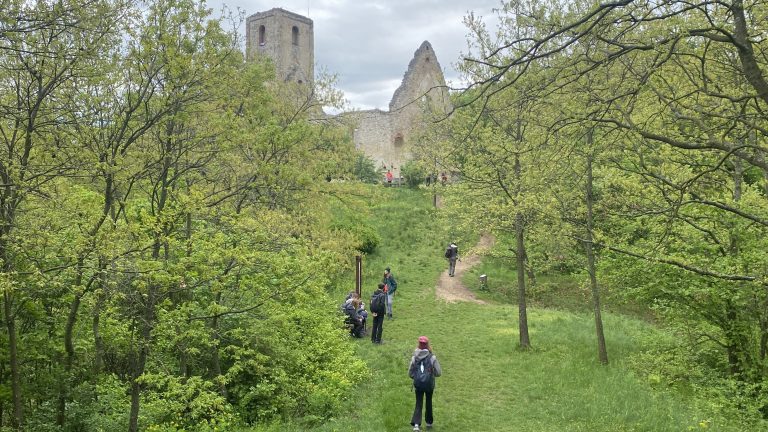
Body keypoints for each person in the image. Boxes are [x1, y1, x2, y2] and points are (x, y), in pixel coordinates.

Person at [408, 336, 442, 431]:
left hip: (418, 384)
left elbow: (410, 373)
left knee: (418, 403)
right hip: (429, 384)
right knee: (429, 401)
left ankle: (416, 425)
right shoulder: (432, 357)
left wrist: (416, 377)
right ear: (427, 345)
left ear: (419, 344)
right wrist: (431, 375)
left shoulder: (414, 357)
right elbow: (439, 373)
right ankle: (429, 422)